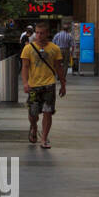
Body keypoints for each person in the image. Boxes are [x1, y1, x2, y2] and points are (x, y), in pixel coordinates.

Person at [21, 20, 66, 148]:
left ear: (47, 33)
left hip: (49, 85)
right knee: (33, 114)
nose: (39, 35)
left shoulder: (54, 48)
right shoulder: (28, 48)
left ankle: (44, 138)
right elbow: (25, 67)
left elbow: (58, 67)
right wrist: (25, 83)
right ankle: (34, 127)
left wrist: (63, 84)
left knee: (48, 111)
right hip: (34, 86)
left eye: (41, 33)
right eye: (37, 33)